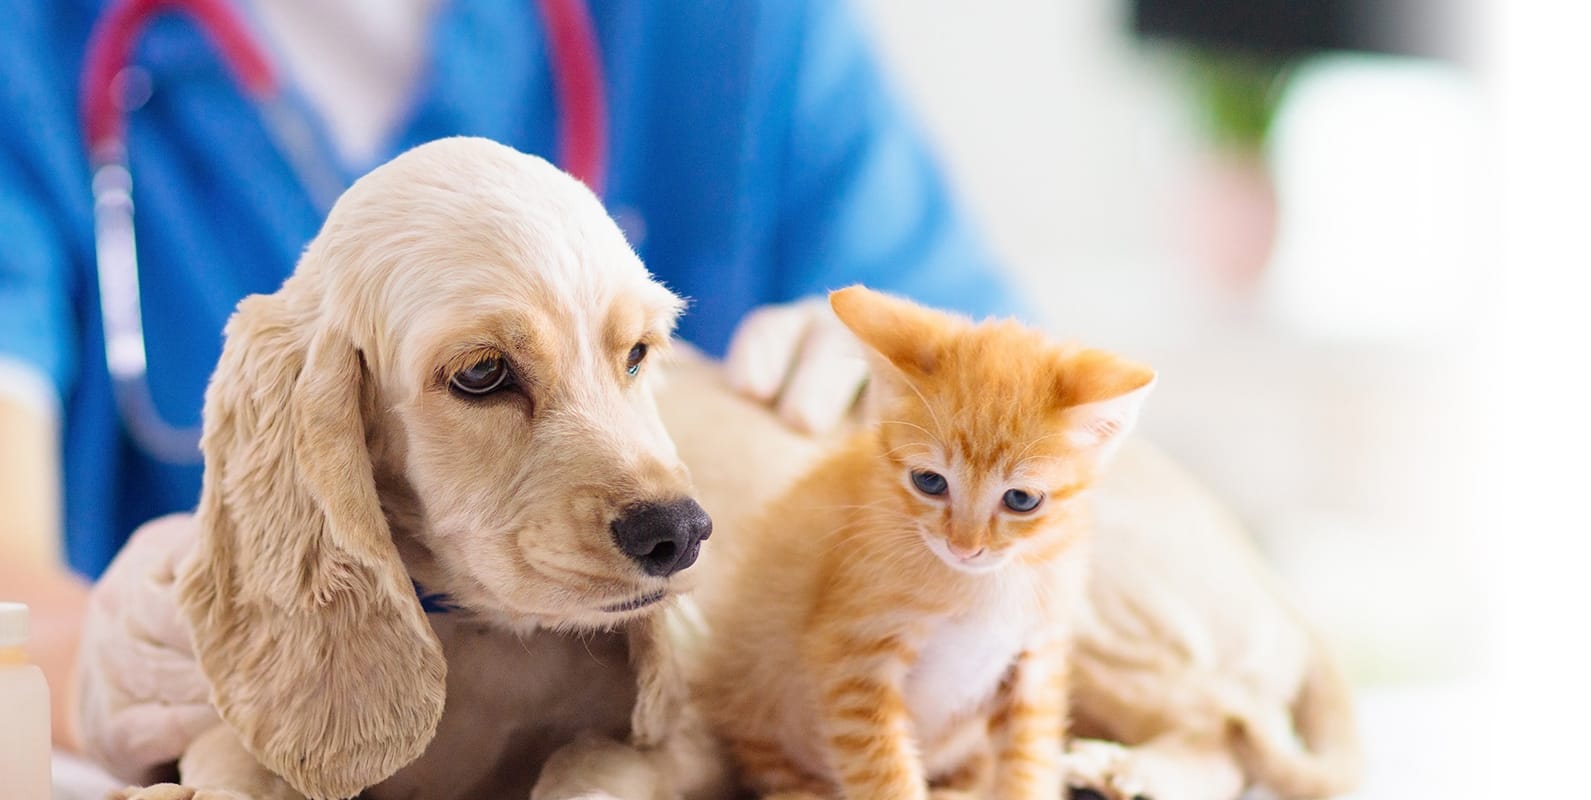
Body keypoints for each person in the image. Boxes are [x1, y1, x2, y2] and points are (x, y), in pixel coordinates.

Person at [0, 0, 1023, 756]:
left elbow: (1072, 451)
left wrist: (931, 409)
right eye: (486, 370)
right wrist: (96, 652)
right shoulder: (30, 52)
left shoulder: (740, 35)